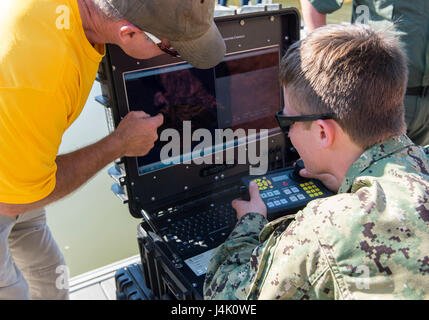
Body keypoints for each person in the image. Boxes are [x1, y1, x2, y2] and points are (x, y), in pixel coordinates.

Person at [0, 0, 225, 300]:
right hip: (9, 191)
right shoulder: (43, 74)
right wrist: (118, 144)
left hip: (16, 158)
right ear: (129, 34)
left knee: (49, 273)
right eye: (171, 49)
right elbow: (16, 202)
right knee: (11, 290)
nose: (174, 58)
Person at [204, 23, 429, 300]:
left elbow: (223, 294)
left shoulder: (328, 227)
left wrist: (250, 221)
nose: (288, 132)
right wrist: (342, 180)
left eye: (287, 121)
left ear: (323, 132)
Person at [300, 0, 429, 146]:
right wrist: (321, 68)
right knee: (364, 166)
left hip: (425, 106)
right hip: (375, 98)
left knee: (418, 166)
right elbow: (315, 3)